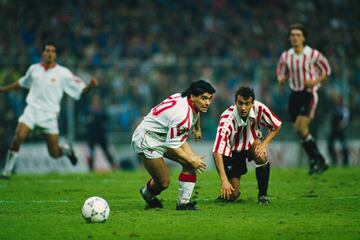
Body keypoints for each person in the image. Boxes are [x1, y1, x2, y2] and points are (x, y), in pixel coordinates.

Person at [0, 43, 98, 179]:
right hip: (32, 111)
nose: (50, 53)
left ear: (55, 55)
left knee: (54, 153)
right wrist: (3, 89)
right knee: (19, 136)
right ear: (43, 53)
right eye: (47, 50)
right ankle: (7, 170)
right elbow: (21, 83)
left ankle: (67, 151)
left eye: (52, 51)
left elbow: (79, 92)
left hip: (50, 116)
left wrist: (90, 87)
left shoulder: (63, 73)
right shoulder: (34, 69)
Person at [132, 80, 215, 210]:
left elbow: (196, 111)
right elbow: (172, 146)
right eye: (203, 98)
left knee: (190, 164)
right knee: (163, 182)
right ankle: (147, 194)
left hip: (164, 133)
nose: (207, 103)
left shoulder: (183, 97)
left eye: (210, 99)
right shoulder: (183, 117)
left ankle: (183, 204)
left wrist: (197, 127)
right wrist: (191, 159)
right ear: (192, 96)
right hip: (148, 138)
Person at [277, 23, 331, 175]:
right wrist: (281, 78)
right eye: (292, 35)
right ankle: (318, 159)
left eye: (298, 35)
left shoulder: (313, 54)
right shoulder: (286, 56)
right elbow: (281, 70)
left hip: (309, 94)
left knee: (301, 127)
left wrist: (315, 81)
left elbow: (327, 70)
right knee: (300, 130)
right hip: (294, 95)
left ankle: (317, 160)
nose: (294, 37)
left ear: (304, 38)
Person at [213, 86, 281, 204]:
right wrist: (224, 180)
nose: (243, 107)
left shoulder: (259, 108)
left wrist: (264, 144)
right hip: (233, 151)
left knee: (261, 155)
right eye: (240, 103)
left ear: (252, 103)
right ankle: (227, 192)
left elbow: (276, 125)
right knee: (232, 196)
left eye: (247, 103)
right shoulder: (227, 120)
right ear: (235, 102)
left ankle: (263, 196)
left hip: (251, 143)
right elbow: (217, 152)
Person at [87, 93, 116, 171]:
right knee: (91, 151)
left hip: (101, 133)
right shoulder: (89, 109)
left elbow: (106, 118)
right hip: (92, 134)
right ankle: (91, 167)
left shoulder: (102, 109)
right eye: (94, 99)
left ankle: (113, 165)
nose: (96, 101)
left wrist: (96, 118)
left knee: (105, 150)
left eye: (97, 99)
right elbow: (85, 120)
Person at [327, 94, 350, 167]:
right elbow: (330, 117)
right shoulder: (333, 108)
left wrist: (342, 124)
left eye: (337, 99)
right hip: (334, 129)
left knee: (344, 145)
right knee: (330, 144)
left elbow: (346, 117)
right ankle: (334, 160)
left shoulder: (344, 108)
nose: (336, 100)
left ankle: (345, 161)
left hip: (342, 129)